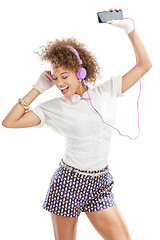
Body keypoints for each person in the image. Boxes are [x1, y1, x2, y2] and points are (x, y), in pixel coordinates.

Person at [2, 8, 152, 240]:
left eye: (65, 76)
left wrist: (130, 31)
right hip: (68, 184)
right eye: (55, 77)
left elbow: (144, 65)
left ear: (80, 72)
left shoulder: (107, 91)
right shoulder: (54, 108)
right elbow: (9, 122)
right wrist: (38, 89)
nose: (60, 83)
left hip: (101, 182)